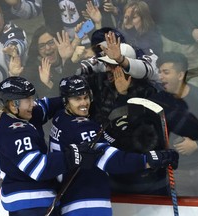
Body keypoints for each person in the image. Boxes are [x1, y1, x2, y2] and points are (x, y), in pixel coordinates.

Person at [49, 75, 179, 215]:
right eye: (77, 99)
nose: (84, 103)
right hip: (87, 203)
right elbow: (111, 161)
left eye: (86, 97)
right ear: (65, 101)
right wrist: (152, 159)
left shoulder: (60, 118)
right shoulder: (81, 128)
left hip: (71, 201)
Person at [0, 76, 102, 215]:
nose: (33, 104)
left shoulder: (22, 115)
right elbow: (38, 168)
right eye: (28, 100)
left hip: (30, 201)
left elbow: (48, 106)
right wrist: (73, 155)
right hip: (30, 203)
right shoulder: (15, 132)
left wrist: (72, 95)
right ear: (13, 104)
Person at [152, 52, 198, 197]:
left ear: (180, 75)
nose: (161, 77)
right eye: (159, 72)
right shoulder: (157, 102)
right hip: (176, 172)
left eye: (166, 72)